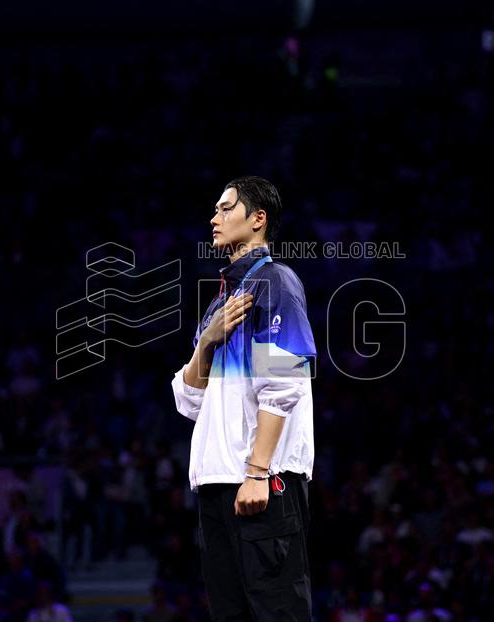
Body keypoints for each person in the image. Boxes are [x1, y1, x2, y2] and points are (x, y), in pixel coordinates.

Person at [171, 176, 317, 620]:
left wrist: (257, 472)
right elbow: (189, 399)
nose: (213, 218)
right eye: (214, 210)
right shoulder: (221, 304)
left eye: (225, 208)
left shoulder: (275, 281)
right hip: (218, 484)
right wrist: (206, 344)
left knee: (276, 611)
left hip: (260, 481)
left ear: (258, 219)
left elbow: (285, 382)